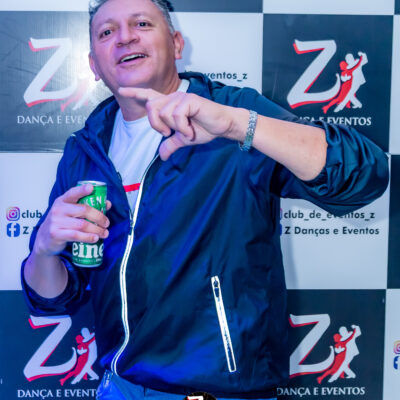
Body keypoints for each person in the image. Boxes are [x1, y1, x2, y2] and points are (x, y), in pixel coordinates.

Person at [21, 0, 389, 399]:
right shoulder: (85, 148)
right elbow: (57, 298)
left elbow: (362, 176)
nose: (125, 37)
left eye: (141, 23)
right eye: (107, 32)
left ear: (177, 44)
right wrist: (43, 251)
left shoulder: (232, 113)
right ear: (94, 64)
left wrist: (237, 125)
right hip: (118, 387)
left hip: (217, 392)